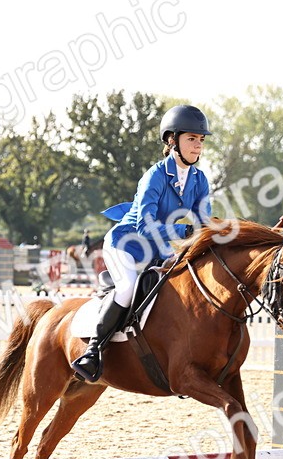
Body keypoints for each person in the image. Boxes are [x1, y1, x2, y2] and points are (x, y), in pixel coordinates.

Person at [71, 104, 213, 382]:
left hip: (159, 248)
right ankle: (92, 351)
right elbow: (145, 225)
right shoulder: (155, 176)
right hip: (127, 244)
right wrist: (184, 231)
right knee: (127, 288)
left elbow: (203, 224)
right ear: (172, 140)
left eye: (201, 140)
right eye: (191, 139)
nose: (198, 146)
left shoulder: (200, 180)